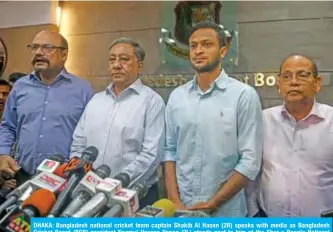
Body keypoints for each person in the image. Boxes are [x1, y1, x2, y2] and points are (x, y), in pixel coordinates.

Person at [162, 21, 263, 217]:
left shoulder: (243, 95)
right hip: (182, 210)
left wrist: (213, 204)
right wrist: (174, 200)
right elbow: (169, 151)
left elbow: (250, 161)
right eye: (193, 46)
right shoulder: (177, 97)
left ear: (223, 51)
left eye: (207, 45)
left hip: (227, 212)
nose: (198, 51)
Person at [70, 37, 165, 207]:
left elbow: (152, 155)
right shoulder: (96, 100)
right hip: (89, 192)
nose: (116, 65)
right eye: (112, 59)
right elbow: (78, 143)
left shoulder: (152, 101)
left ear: (140, 66)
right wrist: (80, 172)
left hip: (133, 195)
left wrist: (116, 182)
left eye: (124, 59)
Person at [0, 30, 94, 183]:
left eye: (47, 47)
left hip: (64, 179)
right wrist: (3, 154)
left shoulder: (83, 90)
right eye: (34, 47)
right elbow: (8, 127)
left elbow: (91, 135)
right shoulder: (20, 87)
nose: (38, 52)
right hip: (23, 174)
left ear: (64, 54)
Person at [249, 54, 333, 217]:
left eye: (302, 75)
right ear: (279, 85)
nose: (294, 82)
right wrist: (254, 212)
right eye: (286, 77)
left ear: (317, 83)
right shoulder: (263, 120)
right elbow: (251, 169)